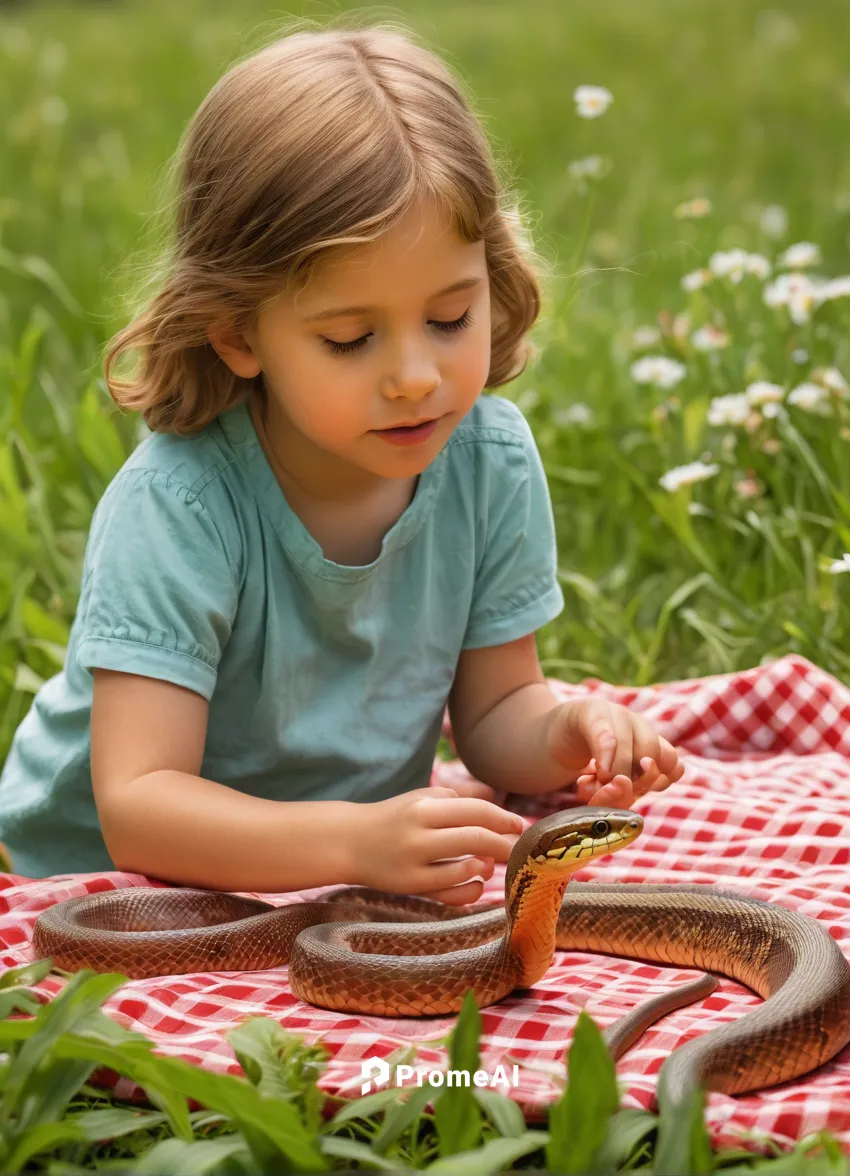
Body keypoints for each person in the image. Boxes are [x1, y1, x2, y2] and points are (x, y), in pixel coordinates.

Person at [0, 19, 683, 894]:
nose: (413, 378)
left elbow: (495, 713)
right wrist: (356, 846)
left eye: (449, 319)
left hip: (338, 873)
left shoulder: (489, 463)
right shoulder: (183, 505)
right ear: (237, 332)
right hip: (111, 887)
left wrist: (566, 730)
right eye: (351, 337)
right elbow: (140, 805)